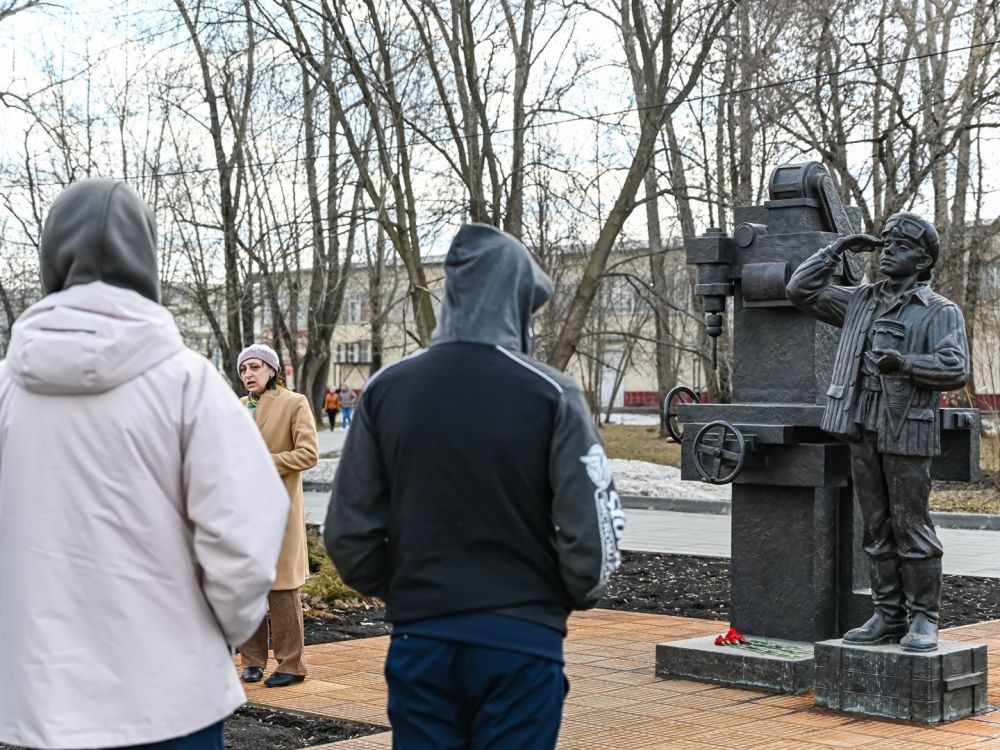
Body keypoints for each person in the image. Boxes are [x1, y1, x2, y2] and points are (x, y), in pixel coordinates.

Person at [0, 179, 290, 750]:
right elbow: (244, 533)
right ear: (146, 258)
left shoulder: (8, 390)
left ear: (51, 258)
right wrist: (213, 636)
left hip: (41, 699)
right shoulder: (189, 384)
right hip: (171, 698)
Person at [326, 223, 625, 749]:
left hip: (423, 636)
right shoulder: (551, 393)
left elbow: (348, 532)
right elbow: (592, 534)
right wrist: (561, 599)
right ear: (516, 299)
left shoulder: (385, 390)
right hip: (521, 639)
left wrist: (407, 590)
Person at [787, 212, 970, 652]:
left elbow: (955, 367)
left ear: (922, 260)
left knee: (912, 526)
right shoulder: (861, 301)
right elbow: (800, 290)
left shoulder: (940, 311)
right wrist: (837, 250)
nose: (888, 250)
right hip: (862, 423)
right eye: (885, 243)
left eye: (900, 246)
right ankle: (887, 616)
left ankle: (924, 618)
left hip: (907, 426)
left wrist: (904, 363)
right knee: (876, 526)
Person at [236, 343, 319, 687]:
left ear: (272, 370)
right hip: (242, 514)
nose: (248, 374)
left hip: (279, 511)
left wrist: (265, 461)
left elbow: (308, 454)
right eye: (243, 369)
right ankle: (252, 661)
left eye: (255, 367)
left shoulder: (294, 403)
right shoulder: (238, 407)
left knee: (282, 590)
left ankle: (291, 665)